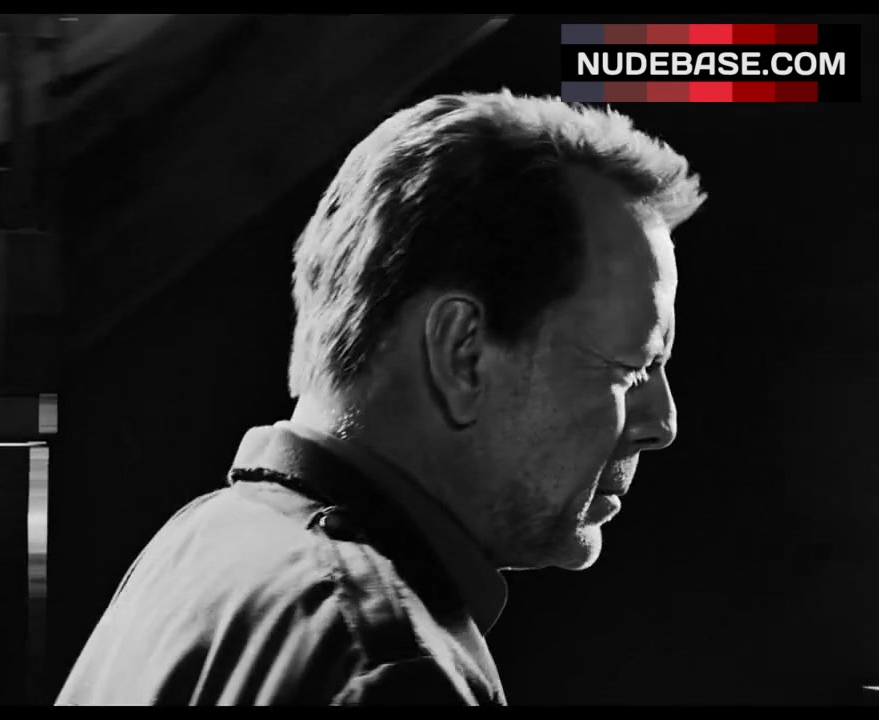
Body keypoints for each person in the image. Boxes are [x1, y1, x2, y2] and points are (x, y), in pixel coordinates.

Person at [56, 89, 706, 706]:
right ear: (462, 354)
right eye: (632, 367)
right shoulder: (390, 671)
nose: (664, 423)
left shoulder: (197, 551)